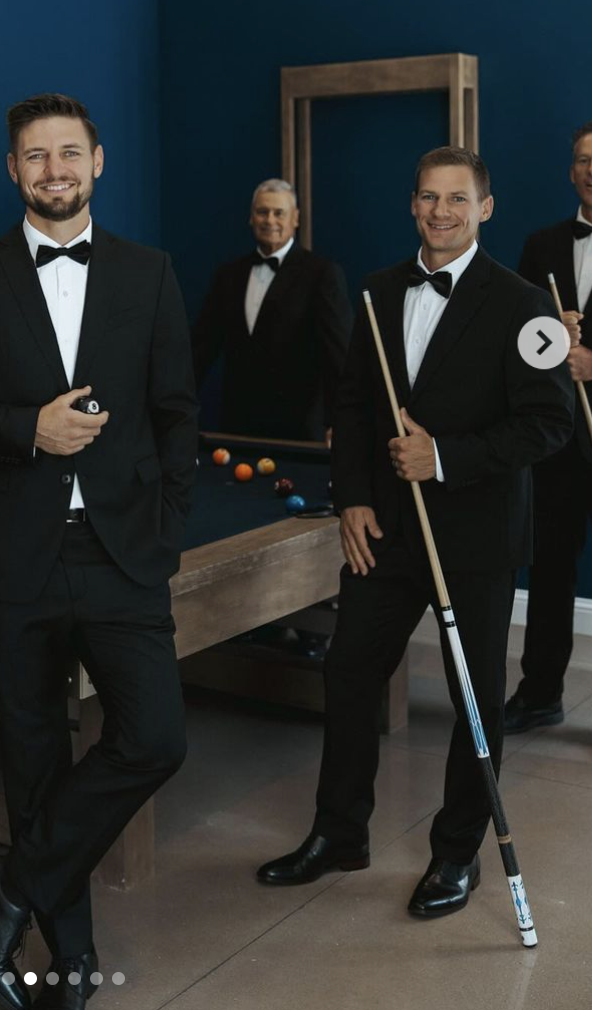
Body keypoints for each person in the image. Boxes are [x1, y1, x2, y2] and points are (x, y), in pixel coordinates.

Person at [0, 94, 197, 1008]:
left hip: (121, 551)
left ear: (99, 162)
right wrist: (22, 427)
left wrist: (166, 522)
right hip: (10, 555)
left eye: (71, 153)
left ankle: (11, 885)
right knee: (34, 760)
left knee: (156, 737)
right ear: (12, 170)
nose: (54, 170)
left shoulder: (150, 273)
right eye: (36, 156)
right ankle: (68, 962)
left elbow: (178, 411)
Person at [257, 147, 573, 920]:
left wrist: (444, 458)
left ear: (485, 209)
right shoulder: (374, 291)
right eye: (429, 198)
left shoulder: (525, 304)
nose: (441, 212)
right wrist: (354, 500)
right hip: (386, 531)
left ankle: (456, 853)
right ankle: (339, 834)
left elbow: (550, 422)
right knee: (349, 675)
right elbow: (356, 407)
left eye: (457, 200)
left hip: (476, 535)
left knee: (473, 701)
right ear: (413, 205)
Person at [504, 120, 592, 732]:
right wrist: (551, 334)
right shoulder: (542, 245)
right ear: (571, 170)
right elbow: (516, 341)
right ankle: (539, 695)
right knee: (552, 569)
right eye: (585, 159)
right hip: (561, 442)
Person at [191, 179, 352, 443]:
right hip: (237, 427)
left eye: (279, 213)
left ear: (295, 219)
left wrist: (340, 422)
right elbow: (200, 350)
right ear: (251, 218)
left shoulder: (322, 274)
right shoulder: (228, 276)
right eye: (262, 212)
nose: (270, 220)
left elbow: (340, 357)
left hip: (298, 431)